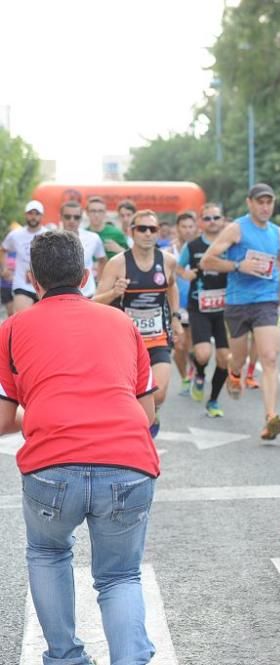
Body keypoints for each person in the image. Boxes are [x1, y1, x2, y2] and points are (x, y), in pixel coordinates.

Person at [0, 230, 159, 664]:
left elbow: (2, 420)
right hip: (127, 460)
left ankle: (66, 657)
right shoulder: (123, 325)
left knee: (48, 553)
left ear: (34, 280)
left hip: (52, 466)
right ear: (87, 276)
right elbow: (147, 413)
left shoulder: (12, 329)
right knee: (121, 576)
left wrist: (41, 417)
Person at [201, 183, 280, 440]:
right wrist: (237, 265)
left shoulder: (277, 233)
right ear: (250, 203)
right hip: (238, 303)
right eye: (260, 202)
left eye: (269, 202)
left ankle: (270, 417)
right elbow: (206, 260)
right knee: (239, 358)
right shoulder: (236, 229)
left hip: (266, 301)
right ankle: (234, 371)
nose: (265, 207)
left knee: (269, 357)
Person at [95, 210, 183, 438]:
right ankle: (134, 432)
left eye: (152, 229)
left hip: (158, 338)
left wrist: (175, 318)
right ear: (131, 232)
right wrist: (114, 292)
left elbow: (172, 286)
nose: (147, 233)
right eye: (141, 228)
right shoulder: (118, 264)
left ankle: (152, 413)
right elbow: (95, 300)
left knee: (159, 393)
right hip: (126, 342)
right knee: (130, 394)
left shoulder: (168, 261)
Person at [178, 203, 231, 417]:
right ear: (201, 222)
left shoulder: (232, 244)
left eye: (215, 218)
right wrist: (185, 274)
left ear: (223, 220)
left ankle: (213, 401)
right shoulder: (192, 246)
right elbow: (178, 267)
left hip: (226, 308)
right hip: (199, 306)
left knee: (225, 358)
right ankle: (199, 373)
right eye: (207, 218)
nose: (212, 222)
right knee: (202, 354)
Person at [1, 200, 51, 312]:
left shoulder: (49, 235)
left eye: (37, 214)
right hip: (22, 285)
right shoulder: (15, 235)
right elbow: (3, 249)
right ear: (25, 215)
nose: (33, 217)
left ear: (42, 216)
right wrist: (4, 268)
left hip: (44, 285)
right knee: (20, 317)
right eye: (30, 213)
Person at [169, 212, 198, 395]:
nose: (187, 230)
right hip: (176, 305)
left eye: (190, 226)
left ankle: (195, 372)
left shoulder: (200, 248)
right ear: (177, 228)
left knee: (194, 346)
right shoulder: (168, 251)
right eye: (184, 226)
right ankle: (185, 378)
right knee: (179, 346)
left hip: (195, 304)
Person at [59, 200, 106, 299]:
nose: (72, 220)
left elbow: (102, 259)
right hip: (61, 296)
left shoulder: (93, 238)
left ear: (81, 218)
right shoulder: (52, 239)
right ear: (61, 217)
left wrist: (100, 283)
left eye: (76, 217)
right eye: (68, 217)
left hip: (88, 294)